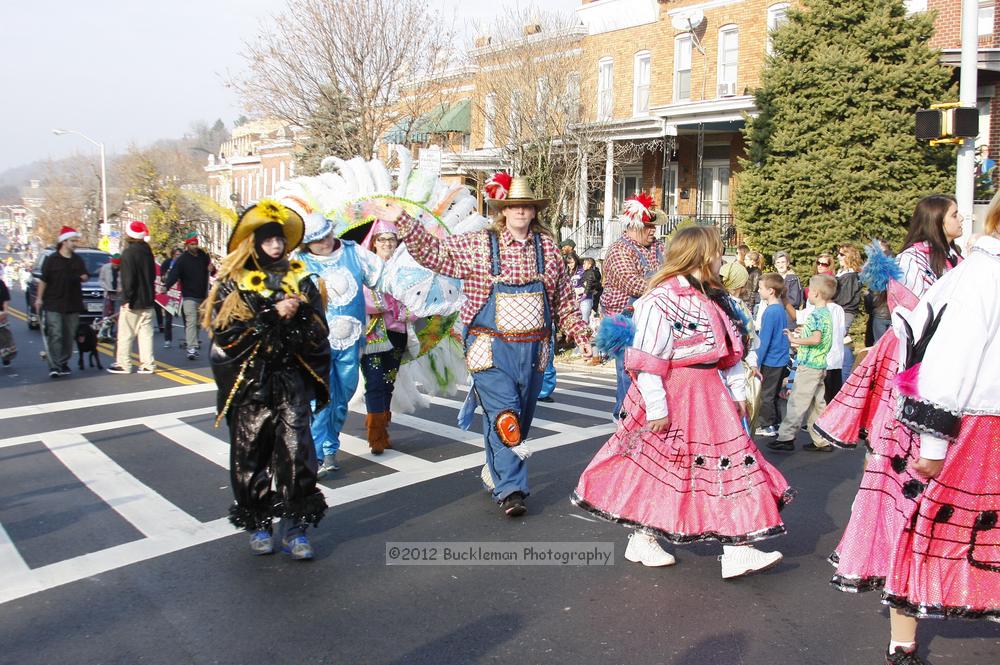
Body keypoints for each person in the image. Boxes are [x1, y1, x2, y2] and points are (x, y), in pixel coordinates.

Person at [573, 226, 790, 577]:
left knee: (727, 464)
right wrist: (657, 407)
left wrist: (736, 394)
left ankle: (736, 547)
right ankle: (647, 537)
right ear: (702, 255)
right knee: (671, 466)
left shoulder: (716, 298)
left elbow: (731, 355)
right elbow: (647, 359)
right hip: (679, 392)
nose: (723, 259)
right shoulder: (660, 299)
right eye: (719, 253)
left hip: (710, 392)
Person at [372, 176, 593, 517]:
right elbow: (433, 254)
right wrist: (402, 218)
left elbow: (563, 296)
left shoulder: (547, 248)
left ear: (535, 210)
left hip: (535, 351)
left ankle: (496, 468)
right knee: (506, 418)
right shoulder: (479, 244)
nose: (520, 211)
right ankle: (512, 490)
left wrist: (581, 335)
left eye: (526, 205)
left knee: (517, 419)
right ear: (502, 211)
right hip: (490, 349)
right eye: (513, 206)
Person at [812, 195, 965, 660]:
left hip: (955, 385)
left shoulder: (957, 259)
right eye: (956, 213)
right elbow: (924, 326)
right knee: (908, 487)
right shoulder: (910, 262)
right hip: (917, 387)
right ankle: (902, 613)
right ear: (935, 220)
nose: (963, 219)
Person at [873, 204, 1000, 665]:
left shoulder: (968, 267)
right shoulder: (980, 275)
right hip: (973, 423)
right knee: (931, 527)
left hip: (981, 416)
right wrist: (932, 442)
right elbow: (946, 361)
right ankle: (902, 642)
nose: (960, 220)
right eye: (952, 215)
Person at [201, 200, 330, 560]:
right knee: (250, 455)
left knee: (296, 453)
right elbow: (227, 336)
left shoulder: (302, 279)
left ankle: (295, 529)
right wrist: (271, 314)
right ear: (254, 242)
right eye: (268, 240)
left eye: (279, 241)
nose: (275, 246)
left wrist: (298, 314)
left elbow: (320, 331)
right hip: (250, 385)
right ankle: (259, 523)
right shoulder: (232, 284)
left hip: (290, 381)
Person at [293, 212, 390, 476]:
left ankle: (330, 446)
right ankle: (319, 452)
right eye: (316, 240)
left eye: (325, 235)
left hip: (351, 341)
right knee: (320, 398)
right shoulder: (297, 263)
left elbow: (384, 276)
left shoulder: (354, 253)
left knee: (342, 396)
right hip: (314, 345)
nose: (323, 242)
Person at [600, 192, 666, 419]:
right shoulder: (620, 250)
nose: (653, 230)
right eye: (648, 226)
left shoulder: (658, 247)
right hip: (624, 319)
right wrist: (665, 285)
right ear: (634, 226)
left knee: (652, 368)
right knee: (629, 371)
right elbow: (633, 284)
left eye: (653, 226)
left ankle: (647, 414)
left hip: (653, 316)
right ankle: (625, 415)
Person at [769, 274, 836, 452]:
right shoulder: (826, 314)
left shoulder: (816, 315)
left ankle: (786, 437)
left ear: (816, 293)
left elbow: (815, 338)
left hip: (809, 365)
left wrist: (795, 339)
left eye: (809, 291)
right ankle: (822, 439)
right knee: (817, 405)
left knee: (797, 402)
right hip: (820, 364)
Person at [359, 220, 408, 455]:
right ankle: (376, 434)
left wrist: (403, 307)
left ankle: (382, 427)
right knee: (375, 382)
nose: (388, 244)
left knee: (388, 382)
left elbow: (415, 299)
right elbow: (360, 298)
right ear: (374, 243)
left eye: (392, 239)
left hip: (398, 331)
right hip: (373, 333)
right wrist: (388, 303)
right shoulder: (365, 267)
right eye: (382, 239)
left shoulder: (406, 267)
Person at [36, 226, 87, 378]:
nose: (75, 244)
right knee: (55, 333)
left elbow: (84, 275)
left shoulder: (77, 260)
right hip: (53, 303)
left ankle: (63, 361)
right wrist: (39, 298)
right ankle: (54, 365)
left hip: (72, 303)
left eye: (75, 241)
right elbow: (43, 280)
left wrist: (82, 277)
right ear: (64, 242)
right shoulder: (52, 260)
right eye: (72, 241)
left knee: (69, 335)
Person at [108, 221, 157, 375]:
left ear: (129, 235)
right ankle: (148, 364)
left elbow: (128, 279)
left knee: (126, 333)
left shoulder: (128, 254)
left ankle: (124, 363)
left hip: (134, 300)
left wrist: (126, 299)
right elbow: (153, 275)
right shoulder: (148, 252)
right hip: (148, 298)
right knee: (145, 334)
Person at [163, 232, 213, 360]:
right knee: (191, 320)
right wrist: (166, 286)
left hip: (202, 295)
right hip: (189, 296)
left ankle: (193, 345)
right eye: (192, 244)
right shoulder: (182, 260)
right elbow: (174, 275)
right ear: (187, 245)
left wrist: (212, 269)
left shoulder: (203, 256)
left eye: (196, 244)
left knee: (197, 323)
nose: (195, 246)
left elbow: (212, 271)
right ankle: (191, 347)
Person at [753, 273, 791, 438]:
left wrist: (757, 362)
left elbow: (764, 340)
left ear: (771, 291)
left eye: (761, 288)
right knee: (774, 393)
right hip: (780, 359)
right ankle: (775, 422)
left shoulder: (770, 312)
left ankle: (767, 424)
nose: (758, 291)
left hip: (771, 360)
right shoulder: (780, 309)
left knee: (766, 394)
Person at [833, 244, 863, 329]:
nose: (838, 256)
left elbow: (844, 299)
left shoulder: (850, 276)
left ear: (850, 256)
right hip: (838, 312)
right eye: (839, 254)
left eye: (842, 255)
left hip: (844, 313)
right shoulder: (842, 273)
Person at [158, 248, 182, 346]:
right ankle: (167, 340)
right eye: (177, 255)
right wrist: (165, 277)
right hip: (171, 293)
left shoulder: (184, 263)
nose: (178, 256)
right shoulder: (168, 263)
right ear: (173, 255)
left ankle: (190, 342)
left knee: (187, 319)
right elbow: (162, 276)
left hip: (182, 293)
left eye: (180, 254)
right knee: (168, 318)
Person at [580, 256, 601, 325]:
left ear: (589, 265)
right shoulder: (589, 272)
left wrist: (584, 294)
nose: (583, 265)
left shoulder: (590, 273)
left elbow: (588, 284)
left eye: (585, 264)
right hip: (590, 296)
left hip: (587, 297)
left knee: (585, 317)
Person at [0, 275, 15, 366]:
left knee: (4, 336)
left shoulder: (1, 283)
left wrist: (5, 311)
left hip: (0, 313)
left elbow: (5, 299)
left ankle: (6, 356)